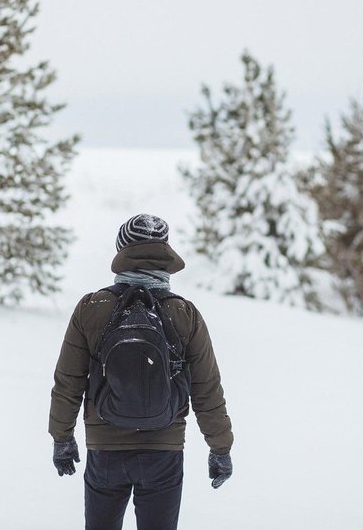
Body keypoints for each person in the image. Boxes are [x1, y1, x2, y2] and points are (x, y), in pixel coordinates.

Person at [48, 213, 234, 530]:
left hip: (105, 447)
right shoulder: (184, 312)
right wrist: (220, 447)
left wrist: (62, 438)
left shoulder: (92, 307)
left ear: (122, 253)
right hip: (164, 449)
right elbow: (207, 389)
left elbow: (68, 383)